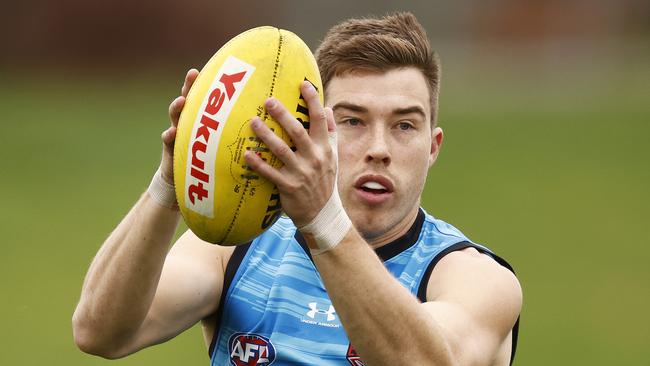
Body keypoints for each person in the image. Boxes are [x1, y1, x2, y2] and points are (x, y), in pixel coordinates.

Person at [73, 12, 522, 366]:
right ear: (308, 131)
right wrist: (172, 182)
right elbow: (100, 332)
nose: (379, 149)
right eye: (352, 121)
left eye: (405, 125)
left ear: (432, 147)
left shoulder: (472, 278)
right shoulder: (238, 249)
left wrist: (322, 221)